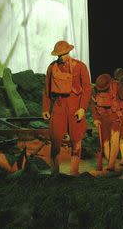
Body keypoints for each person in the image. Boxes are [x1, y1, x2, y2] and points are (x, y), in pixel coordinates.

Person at [42, 40, 91, 175]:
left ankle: (74, 173)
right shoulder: (52, 67)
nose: (61, 57)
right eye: (59, 55)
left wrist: (82, 108)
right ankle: (55, 173)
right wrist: (46, 108)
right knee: (55, 139)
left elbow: (87, 89)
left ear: (68, 52)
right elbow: (47, 89)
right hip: (58, 105)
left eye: (63, 54)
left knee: (76, 140)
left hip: (75, 105)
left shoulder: (80, 66)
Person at [27, 0, 74, 74]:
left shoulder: (37, 8)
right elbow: (70, 45)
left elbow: (30, 40)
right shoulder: (65, 11)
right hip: (61, 65)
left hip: (41, 65)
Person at [91, 73, 123, 171]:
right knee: (105, 142)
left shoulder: (117, 86)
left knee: (114, 141)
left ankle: (111, 164)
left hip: (115, 117)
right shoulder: (95, 90)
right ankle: (109, 160)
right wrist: (96, 118)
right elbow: (93, 105)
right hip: (102, 118)